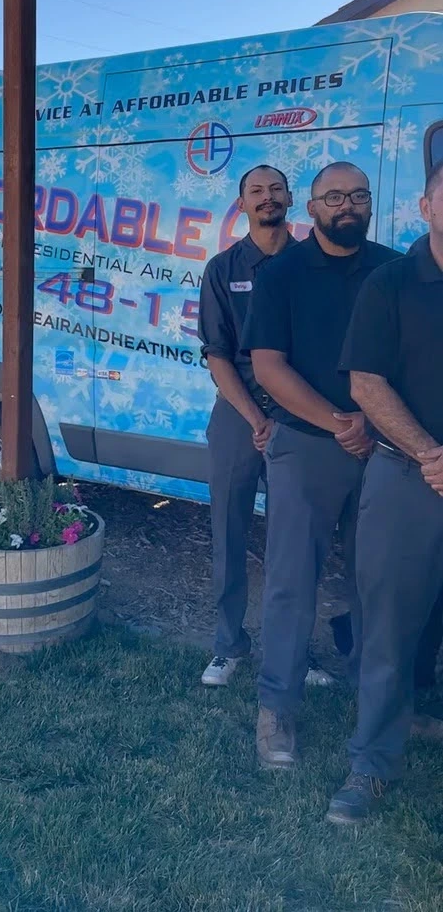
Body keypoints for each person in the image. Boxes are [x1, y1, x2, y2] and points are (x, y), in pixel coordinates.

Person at [242, 162, 399, 769]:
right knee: (291, 581)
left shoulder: (394, 270)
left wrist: (378, 425)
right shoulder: (281, 274)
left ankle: (381, 701)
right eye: (334, 197)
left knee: (381, 581)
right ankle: (276, 707)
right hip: (309, 444)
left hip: (387, 449)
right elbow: (268, 365)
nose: (347, 206)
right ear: (312, 208)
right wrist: (343, 421)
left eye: (358, 196)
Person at [327, 160, 443, 824]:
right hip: (407, 481)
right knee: (387, 632)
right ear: (424, 209)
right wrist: (429, 455)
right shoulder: (391, 283)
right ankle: (370, 763)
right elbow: (365, 384)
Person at [198, 165, 331, 689]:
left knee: (294, 542)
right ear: (242, 203)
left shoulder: (313, 266)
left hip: (299, 415)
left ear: (291, 200)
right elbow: (218, 354)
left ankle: (297, 650)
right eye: (256, 190)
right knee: (228, 532)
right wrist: (256, 419)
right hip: (238, 413)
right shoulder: (222, 268)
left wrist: (289, 415)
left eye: (276, 189)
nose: (267, 197)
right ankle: (228, 645)